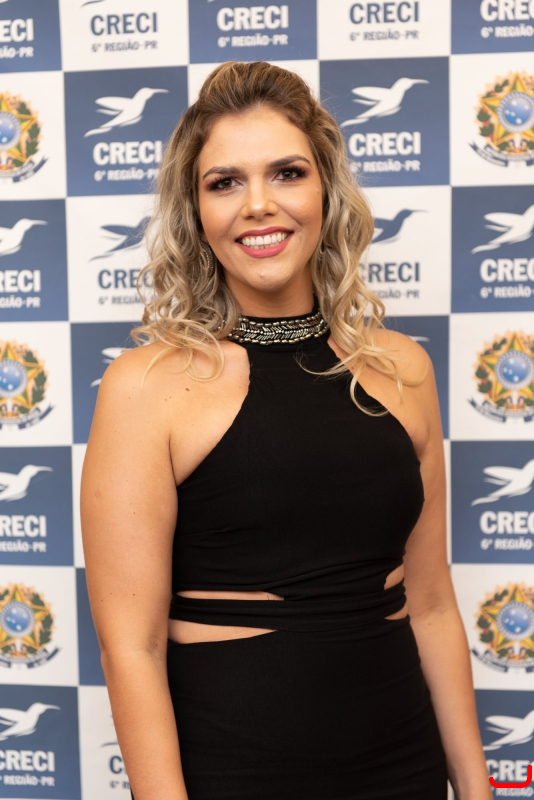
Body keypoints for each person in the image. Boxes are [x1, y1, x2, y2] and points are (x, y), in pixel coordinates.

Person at [81, 61, 492, 800]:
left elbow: (431, 604)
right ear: (195, 211)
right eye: (224, 182)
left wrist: (476, 787)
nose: (259, 205)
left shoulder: (402, 368)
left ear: (325, 190)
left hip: (401, 760)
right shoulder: (144, 388)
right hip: (234, 770)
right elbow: (131, 650)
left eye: (287, 173)